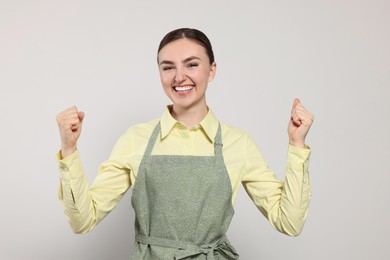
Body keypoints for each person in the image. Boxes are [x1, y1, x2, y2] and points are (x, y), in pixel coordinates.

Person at [56, 28, 314, 259]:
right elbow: (83, 221)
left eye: (191, 65)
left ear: (211, 70)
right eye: (168, 67)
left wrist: (296, 145)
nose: (179, 77)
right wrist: (69, 150)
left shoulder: (239, 143)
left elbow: (289, 222)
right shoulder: (136, 139)